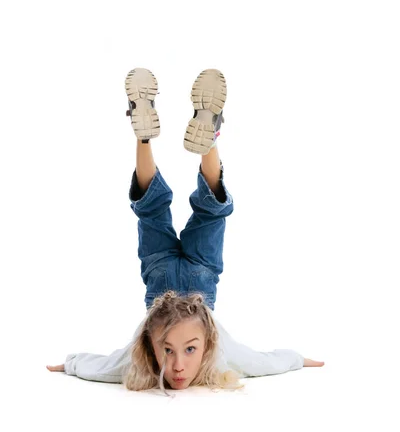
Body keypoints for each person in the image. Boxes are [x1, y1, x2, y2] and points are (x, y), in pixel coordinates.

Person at [47, 68, 324, 395]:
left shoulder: (141, 361)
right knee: (152, 211)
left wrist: (68, 365)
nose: (177, 366)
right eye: (174, 350)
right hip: (164, 273)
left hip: (199, 275)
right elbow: (269, 362)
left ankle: (194, 128)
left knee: (211, 212)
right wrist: (299, 360)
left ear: (149, 340)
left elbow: (94, 366)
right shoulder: (214, 354)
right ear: (209, 341)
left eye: (184, 349)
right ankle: (152, 130)